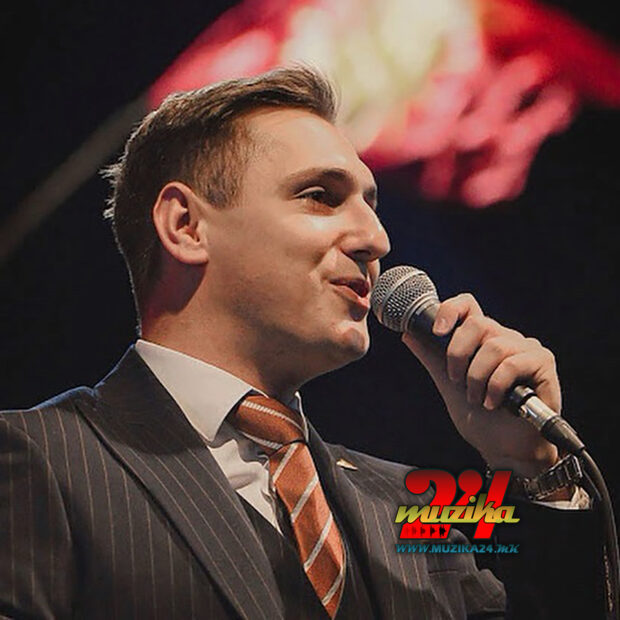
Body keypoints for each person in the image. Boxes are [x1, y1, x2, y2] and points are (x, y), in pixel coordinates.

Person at [0, 66, 600, 619]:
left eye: (371, 204)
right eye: (320, 195)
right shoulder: (38, 459)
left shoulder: (409, 505)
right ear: (186, 226)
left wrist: (530, 467)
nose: (376, 239)